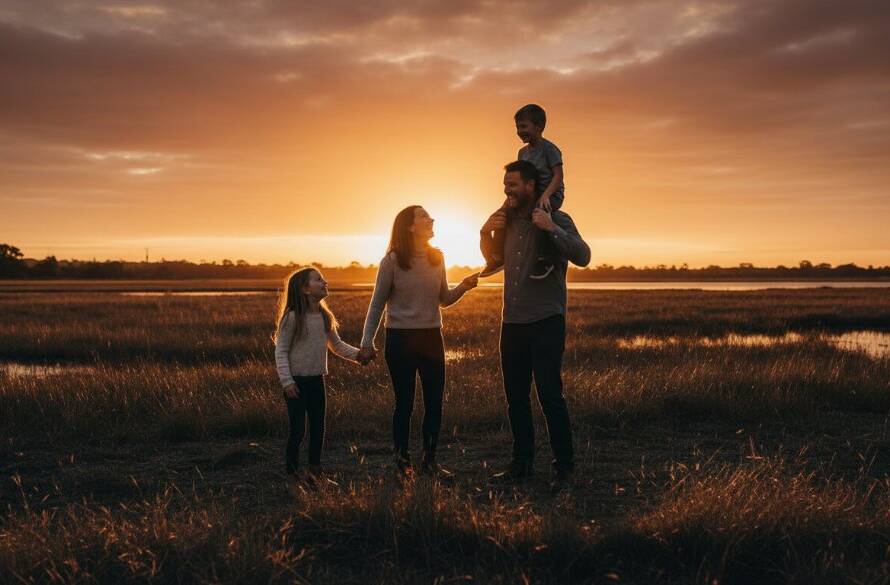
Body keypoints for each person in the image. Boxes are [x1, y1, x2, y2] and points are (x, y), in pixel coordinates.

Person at [480, 160, 591, 487]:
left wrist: (551, 228)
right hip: (512, 322)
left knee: (549, 395)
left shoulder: (557, 218)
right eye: (505, 185)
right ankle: (522, 464)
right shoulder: (507, 221)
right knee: (515, 397)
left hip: (546, 320)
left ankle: (564, 467)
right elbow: (493, 262)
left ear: (531, 185)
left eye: (513, 185)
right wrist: (485, 233)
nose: (507, 191)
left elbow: (583, 256)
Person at [361, 205, 479, 477]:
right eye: (424, 216)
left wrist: (463, 286)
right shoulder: (391, 261)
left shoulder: (438, 257)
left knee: (434, 403)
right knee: (404, 403)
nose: (431, 219)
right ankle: (403, 462)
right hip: (400, 339)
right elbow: (377, 304)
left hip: (431, 338)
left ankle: (430, 461)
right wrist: (367, 342)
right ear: (410, 226)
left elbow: (444, 299)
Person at [273, 267, 371, 490]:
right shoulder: (292, 318)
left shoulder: (325, 317)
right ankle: (292, 474)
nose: (324, 282)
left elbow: (337, 346)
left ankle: (314, 472)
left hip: (317, 380)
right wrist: (287, 382)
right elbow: (281, 351)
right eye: (318, 280)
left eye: (323, 279)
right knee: (298, 430)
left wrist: (359, 356)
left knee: (318, 427)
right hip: (296, 383)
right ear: (305, 289)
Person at [481, 104, 565, 280]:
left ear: (539, 126)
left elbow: (558, 176)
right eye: (517, 127)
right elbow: (521, 177)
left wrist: (546, 196)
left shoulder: (549, 149)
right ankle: (496, 257)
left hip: (550, 194)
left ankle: (544, 259)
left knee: (538, 215)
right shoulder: (522, 153)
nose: (519, 131)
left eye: (524, 126)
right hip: (529, 194)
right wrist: (509, 200)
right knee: (502, 213)